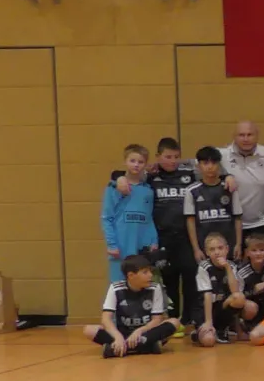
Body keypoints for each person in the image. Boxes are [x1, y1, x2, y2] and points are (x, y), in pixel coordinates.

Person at [145, 139, 198, 327]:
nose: (172, 161)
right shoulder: (151, 176)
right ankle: (173, 319)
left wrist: (228, 177)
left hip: (186, 237)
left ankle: (189, 318)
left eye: (176, 157)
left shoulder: (189, 173)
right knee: (169, 280)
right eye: (168, 157)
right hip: (163, 238)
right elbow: (121, 174)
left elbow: (214, 168)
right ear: (158, 156)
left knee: (190, 278)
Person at [84, 254, 174, 357]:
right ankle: (146, 347)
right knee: (89, 330)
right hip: (123, 334)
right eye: (145, 272)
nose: (150, 275)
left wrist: (139, 331)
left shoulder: (155, 288)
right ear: (131, 275)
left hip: (145, 333)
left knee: (174, 322)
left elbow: (157, 319)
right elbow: (106, 319)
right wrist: (118, 337)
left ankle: (118, 349)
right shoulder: (115, 288)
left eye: (150, 271)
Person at [100, 145, 157, 284]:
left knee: (142, 285)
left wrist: (153, 241)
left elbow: (149, 219)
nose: (136, 165)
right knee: (119, 286)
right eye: (132, 161)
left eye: (141, 162)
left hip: (141, 246)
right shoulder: (113, 188)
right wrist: (112, 244)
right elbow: (107, 218)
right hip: (121, 246)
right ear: (125, 161)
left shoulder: (148, 191)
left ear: (145, 164)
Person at [222, 120, 264, 247]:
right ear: (234, 136)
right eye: (241, 135)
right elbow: (198, 165)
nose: (246, 139)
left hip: (260, 223)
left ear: (257, 136)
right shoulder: (222, 155)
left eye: (250, 134)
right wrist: (224, 175)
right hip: (231, 224)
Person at [185, 146, 241, 264]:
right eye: (205, 163)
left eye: (214, 163)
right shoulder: (191, 190)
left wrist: (238, 244)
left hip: (228, 244)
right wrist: (196, 249)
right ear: (198, 166)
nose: (210, 167)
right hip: (204, 246)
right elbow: (190, 221)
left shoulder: (230, 188)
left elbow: (237, 218)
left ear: (219, 165)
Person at [191, 231, 239, 346]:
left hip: (221, 306)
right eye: (212, 249)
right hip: (205, 309)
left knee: (239, 298)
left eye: (220, 248)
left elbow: (235, 291)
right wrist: (208, 322)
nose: (217, 252)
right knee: (209, 341)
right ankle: (199, 332)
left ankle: (222, 328)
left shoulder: (232, 265)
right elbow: (207, 295)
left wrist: (227, 267)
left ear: (227, 249)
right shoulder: (204, 267)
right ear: (207, 252)